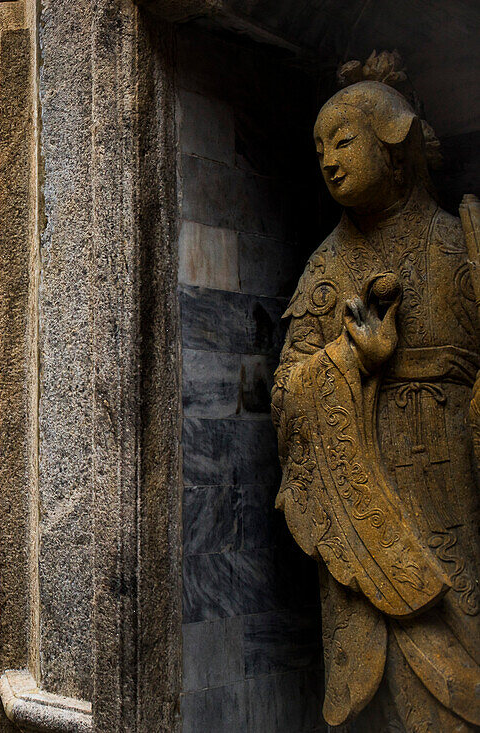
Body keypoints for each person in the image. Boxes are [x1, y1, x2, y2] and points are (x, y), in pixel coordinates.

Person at [273, 55, 480, 729]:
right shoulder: (326, 268)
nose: (328, 160)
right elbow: (285, 392)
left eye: (343, 140)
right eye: (318, 149)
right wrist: (349, 358)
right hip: (362, 529)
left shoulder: (460, 247)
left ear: (394, 146)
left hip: (451, 509)